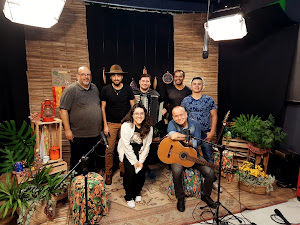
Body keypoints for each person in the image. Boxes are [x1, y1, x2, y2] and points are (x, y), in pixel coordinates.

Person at [167, 106, 216, 212]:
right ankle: (180, 197)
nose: (179, 118)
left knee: (210, 172)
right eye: (176, 116)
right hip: (177, 155)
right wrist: (188, 138)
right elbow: (172, 136)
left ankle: (206, 195)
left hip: (193, 154)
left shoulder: (195, 124)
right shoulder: (171, 123)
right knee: (176, 171)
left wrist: (179, 137)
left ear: (186, 114)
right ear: (173, 117)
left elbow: (196, 143)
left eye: (181, 115)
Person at [181, 76, 221, 192]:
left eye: (199, 84)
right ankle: (192, 181)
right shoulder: (186, 100)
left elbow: (214, 116)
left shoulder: (209, 100)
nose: (197, 86)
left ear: (202, 85)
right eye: (194, 84)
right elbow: (182, 117)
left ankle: (212, 181)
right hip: (191, 133)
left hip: (205, 133)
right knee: (191, 156)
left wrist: (212, 132)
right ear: (191, 86)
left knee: (208, 156)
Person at [59, 66, 102, 174]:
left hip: (94, 133)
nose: (86, 77)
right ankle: (76, 184)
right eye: (83, 74)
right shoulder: (71, 90)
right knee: (77, 161)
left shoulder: (94, 88)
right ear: (77, 76)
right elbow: (63, 110)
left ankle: (91, 184)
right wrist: (67, 130)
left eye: (88, 74)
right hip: (78, 134)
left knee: (92, 160)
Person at [101, 64, 135, 185]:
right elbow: (103, 108)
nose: (116, 78)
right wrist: (105, 125)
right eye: (114, 76)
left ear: (122, 77)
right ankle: (109, 173)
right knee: (109, 149)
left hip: (125, 123)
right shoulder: (105, 89)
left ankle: (123, 169)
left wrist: (132, 123)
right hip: (110, 123)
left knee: (125, 147)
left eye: (118, 76)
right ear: (110, 77)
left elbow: (133, 107)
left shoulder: (127, 89)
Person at [117, 103, 153, 208]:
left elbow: (147, 146)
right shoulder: (126, 126)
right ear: (132, 114)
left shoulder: (149, 127)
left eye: (141, 113)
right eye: (136, 113)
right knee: (131, 173)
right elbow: (126, 145)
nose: (139, 116)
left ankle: (137, 192)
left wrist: (141, 162)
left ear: (145, 115)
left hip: (141, 150)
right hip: (128, 150)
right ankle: (129, 196)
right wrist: (135, 162)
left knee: (141, 173)